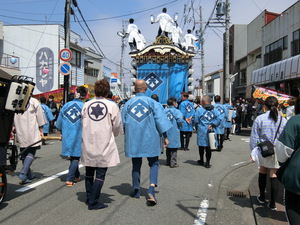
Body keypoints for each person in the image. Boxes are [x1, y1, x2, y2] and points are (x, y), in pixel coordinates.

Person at [122, 79, 172, 205]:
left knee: (136, 164)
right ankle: (151, 188)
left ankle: (136, 190)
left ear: (134, 89)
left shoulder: (128, 104)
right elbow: (160, 121)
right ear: (146, 88)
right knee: (154, 163)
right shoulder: (153, 103)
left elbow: (123, 123)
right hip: (151, 138)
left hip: (134, 139)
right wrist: (165, 136)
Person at [81, 79, 123, 210]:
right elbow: (117, 125)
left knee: (89, 172)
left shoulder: (86, 105)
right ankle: (93, 201)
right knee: (100, 174)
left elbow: (82, 122)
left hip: (88, 141)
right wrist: (115, 134)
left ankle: (89, 198)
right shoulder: (112, 106)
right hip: (104, 141)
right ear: (107, 91)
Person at [250, 96, 287, 211]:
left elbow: (254, 137)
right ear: (278, 106)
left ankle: (261, 196)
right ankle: (272, 203)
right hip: (277, 150)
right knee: (274, 174)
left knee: (262, 170)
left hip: (263, 150)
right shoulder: (283, 120)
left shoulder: (260, 119)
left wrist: (252, 152)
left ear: (265, 107)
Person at [275, 95, 300, 224]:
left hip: (296, 178)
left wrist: (283, 164)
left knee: (294, 210)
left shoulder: (295, 121)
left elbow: (282, 151)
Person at [56, 86, 87, 187]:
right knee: (76, 157)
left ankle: (76, 175)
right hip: (79, 134)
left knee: (73, 156)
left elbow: (59, 122)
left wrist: (61, 130)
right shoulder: (84, 106)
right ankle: (69, 178)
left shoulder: (66, 106)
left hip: (68, 134)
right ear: (84, 95)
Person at [14, 97, 46, 184]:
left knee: (24, 151)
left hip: (19, 128)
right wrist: (41, 129)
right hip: (31, 128)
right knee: (31, 151)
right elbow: (39, 116)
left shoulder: (15, 100)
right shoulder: (33, 101)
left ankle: (29, 175)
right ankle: (23, 173)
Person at [194, 95, 220, 168]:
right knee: (209, 146)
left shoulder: (200, 110)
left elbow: (196, 120)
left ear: (203, 102)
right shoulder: (214, 110)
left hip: (202, 130)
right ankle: (208, 162)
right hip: (211, 130)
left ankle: (201, 160)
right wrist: (212, 124)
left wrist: (196, 127)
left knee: (201, 146)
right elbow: (219, 118)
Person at [164, 97, 184, 168]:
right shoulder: (177, 111)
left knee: (168, 147)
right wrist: (180, 125)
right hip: (174, 130)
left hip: (166, 130)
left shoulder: (164, 111)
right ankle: (173, 162)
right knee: (174, 148)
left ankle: (168, 161)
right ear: (174, 103)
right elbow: (180, 120)